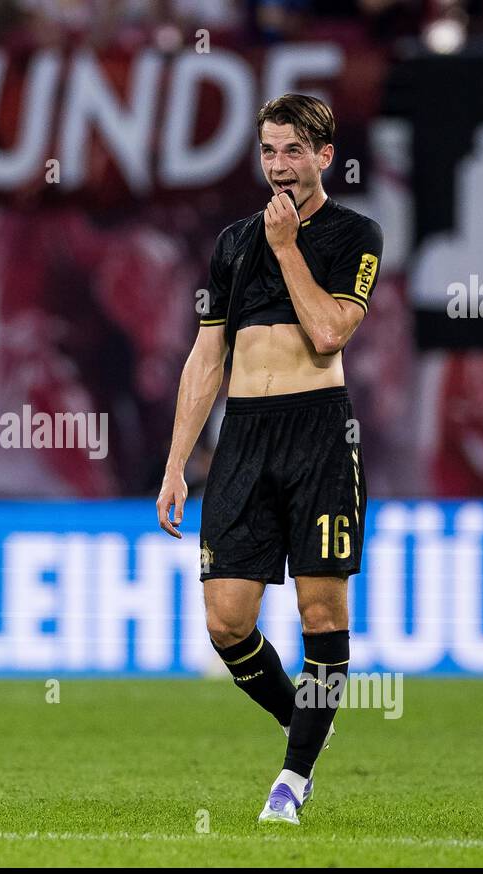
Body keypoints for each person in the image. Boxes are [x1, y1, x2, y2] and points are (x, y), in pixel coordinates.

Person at [156, 93, 383, 824]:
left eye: (293, 151)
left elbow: (327, 334)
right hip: (245, 437)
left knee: (321, 611)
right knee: (226, 620)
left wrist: (288, 248)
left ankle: (292, 779)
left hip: (319, 433)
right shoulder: (230, 244)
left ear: (324, 156)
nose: (279, 166)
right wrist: (175, 463)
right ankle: (304, 723)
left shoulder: (356, 234)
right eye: (268, 151)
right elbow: (205, 356)